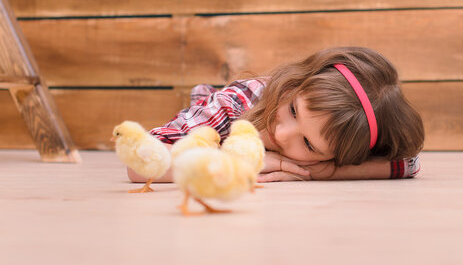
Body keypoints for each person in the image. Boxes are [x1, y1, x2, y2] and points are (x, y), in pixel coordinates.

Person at [128, 46, 424, 182]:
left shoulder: (339, 144)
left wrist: (327, 171)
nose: (281, 134)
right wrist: (240, 162)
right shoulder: (236, 103)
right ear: (296, 83)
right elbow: (139, 165)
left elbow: (410, 164)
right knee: (202, 130)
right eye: (293, 110)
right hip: (213, 120)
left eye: (308, 144)